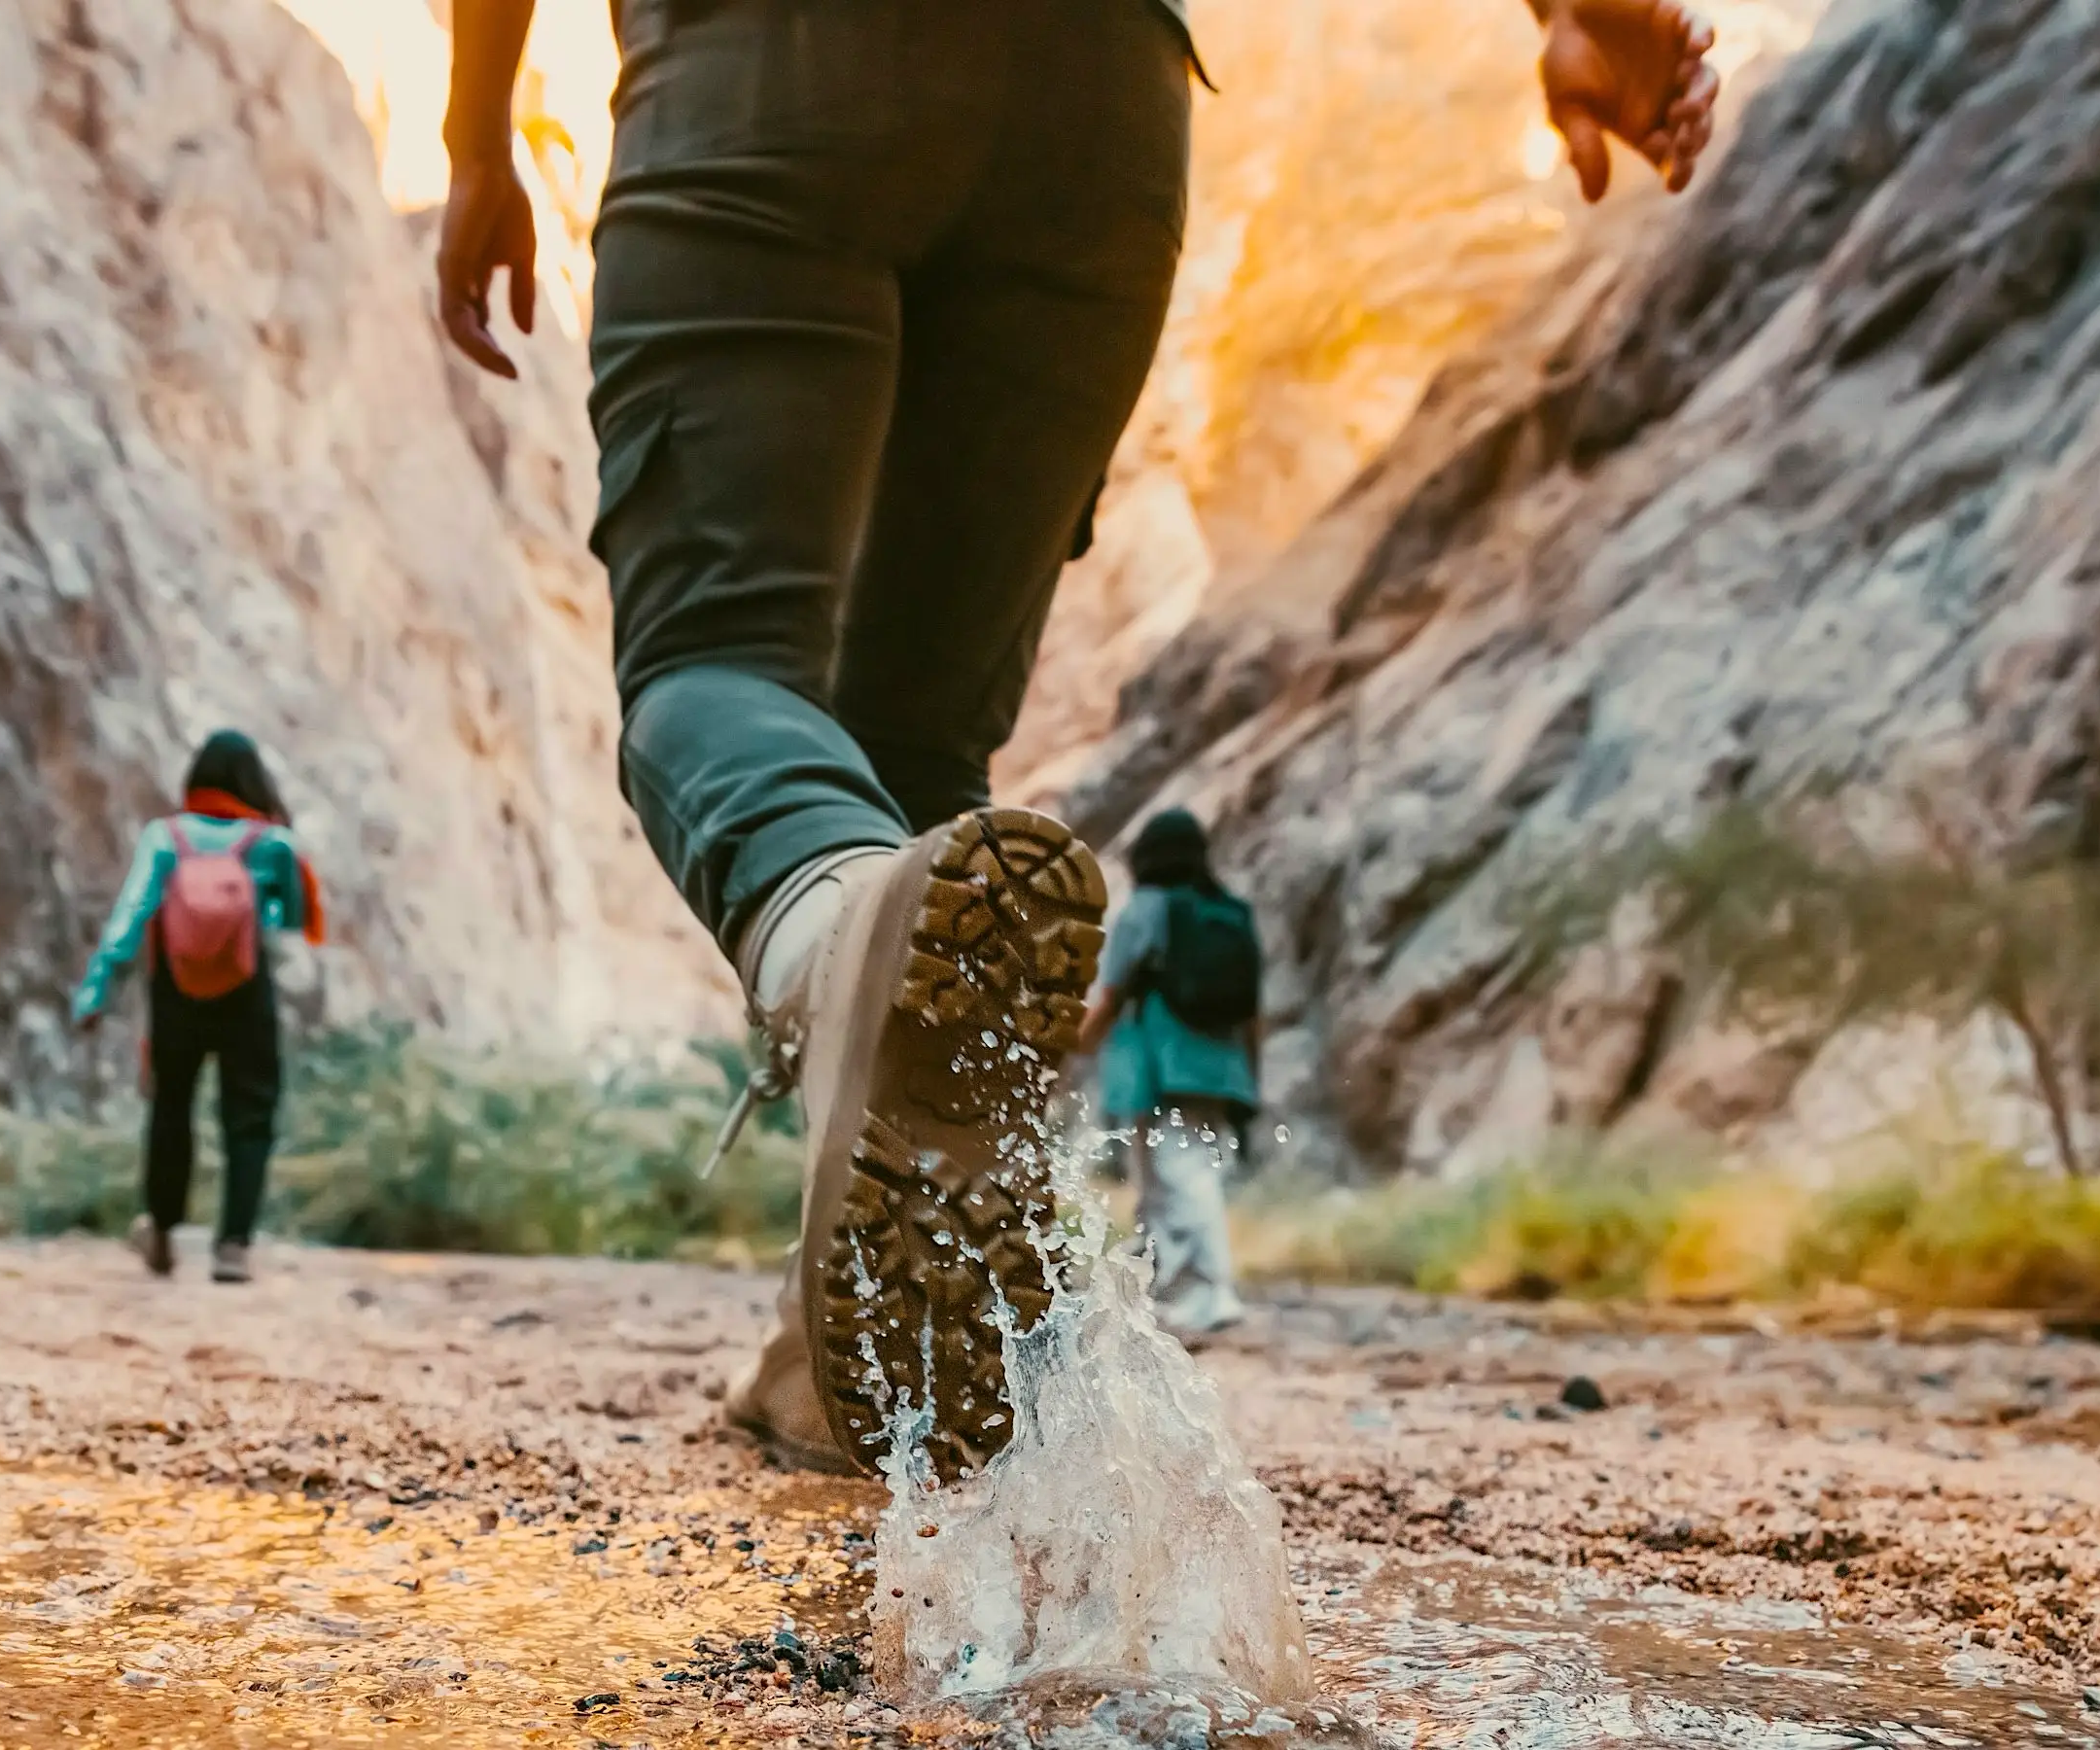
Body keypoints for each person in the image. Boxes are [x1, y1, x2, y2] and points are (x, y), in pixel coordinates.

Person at [433, 0, 1721, 1477]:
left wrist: (480, 139)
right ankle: (849, 1351)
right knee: (915, 775)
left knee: (710, 670)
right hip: (1101, 110)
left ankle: (829, 944)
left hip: (770, 76)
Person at [71, 731, 327, 1285]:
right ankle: (233, 1245)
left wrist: (96, 990)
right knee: (249, 1116)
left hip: (176, 990)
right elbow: (291, 918)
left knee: (171, 1109)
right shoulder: (273, 842)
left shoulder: (165, 837)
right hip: (244, 989)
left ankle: (161, 1232)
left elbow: (131, 915)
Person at [1076, 809, 1264, 1338]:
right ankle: (1178, 1293)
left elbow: (1109, 998)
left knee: (1179, 1180)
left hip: (1159, 1070)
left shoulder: (1146, 910)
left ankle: (1211, 1292)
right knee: (1182, 1179)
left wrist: (1063, 1046)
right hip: (1219, 1070)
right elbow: (1252, 1013)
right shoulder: (1229, 913)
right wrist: (1251, 1075)